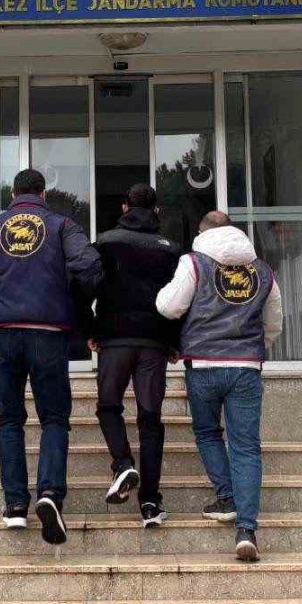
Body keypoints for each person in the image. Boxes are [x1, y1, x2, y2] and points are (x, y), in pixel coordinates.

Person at [0, 168, 102, 545]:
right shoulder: (61, 225)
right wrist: (75, 300)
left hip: (2, 333)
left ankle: (16, 506)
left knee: (9, 419)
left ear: (13, 194)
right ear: (43, 194)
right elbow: (88, 266)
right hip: (48, 332)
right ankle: (50, 493)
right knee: (54, 417)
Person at [156, 210, 281, 561]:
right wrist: (255, 348)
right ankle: (246, 530)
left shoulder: (194, 263)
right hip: (245, 368)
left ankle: (226, 496)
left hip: (203, 365)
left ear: (202, 233)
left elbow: (168, 307)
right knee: (246, 446)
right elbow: (274, 321)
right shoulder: (262, 270)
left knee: (208, 432)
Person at [87, 183, 182, 528]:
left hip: (114, 340)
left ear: (125, 207)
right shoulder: (172, 249)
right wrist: (175, 341)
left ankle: (123, 463)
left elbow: (85, 285)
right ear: (156, 210)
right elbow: (181, 299)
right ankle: (150, 503)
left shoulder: (105, 242)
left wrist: (91, 330)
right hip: (153, 342)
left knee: (108, 406)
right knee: (150, 418)